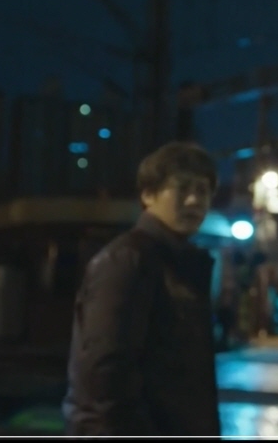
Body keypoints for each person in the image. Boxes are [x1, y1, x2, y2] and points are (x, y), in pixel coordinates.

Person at [62, 141, 221, 436]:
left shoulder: (180, 262)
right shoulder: (128, 260)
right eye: (182, 189)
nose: (194, 201)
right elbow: (104, 375)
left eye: (202, 191)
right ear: (148, 195)